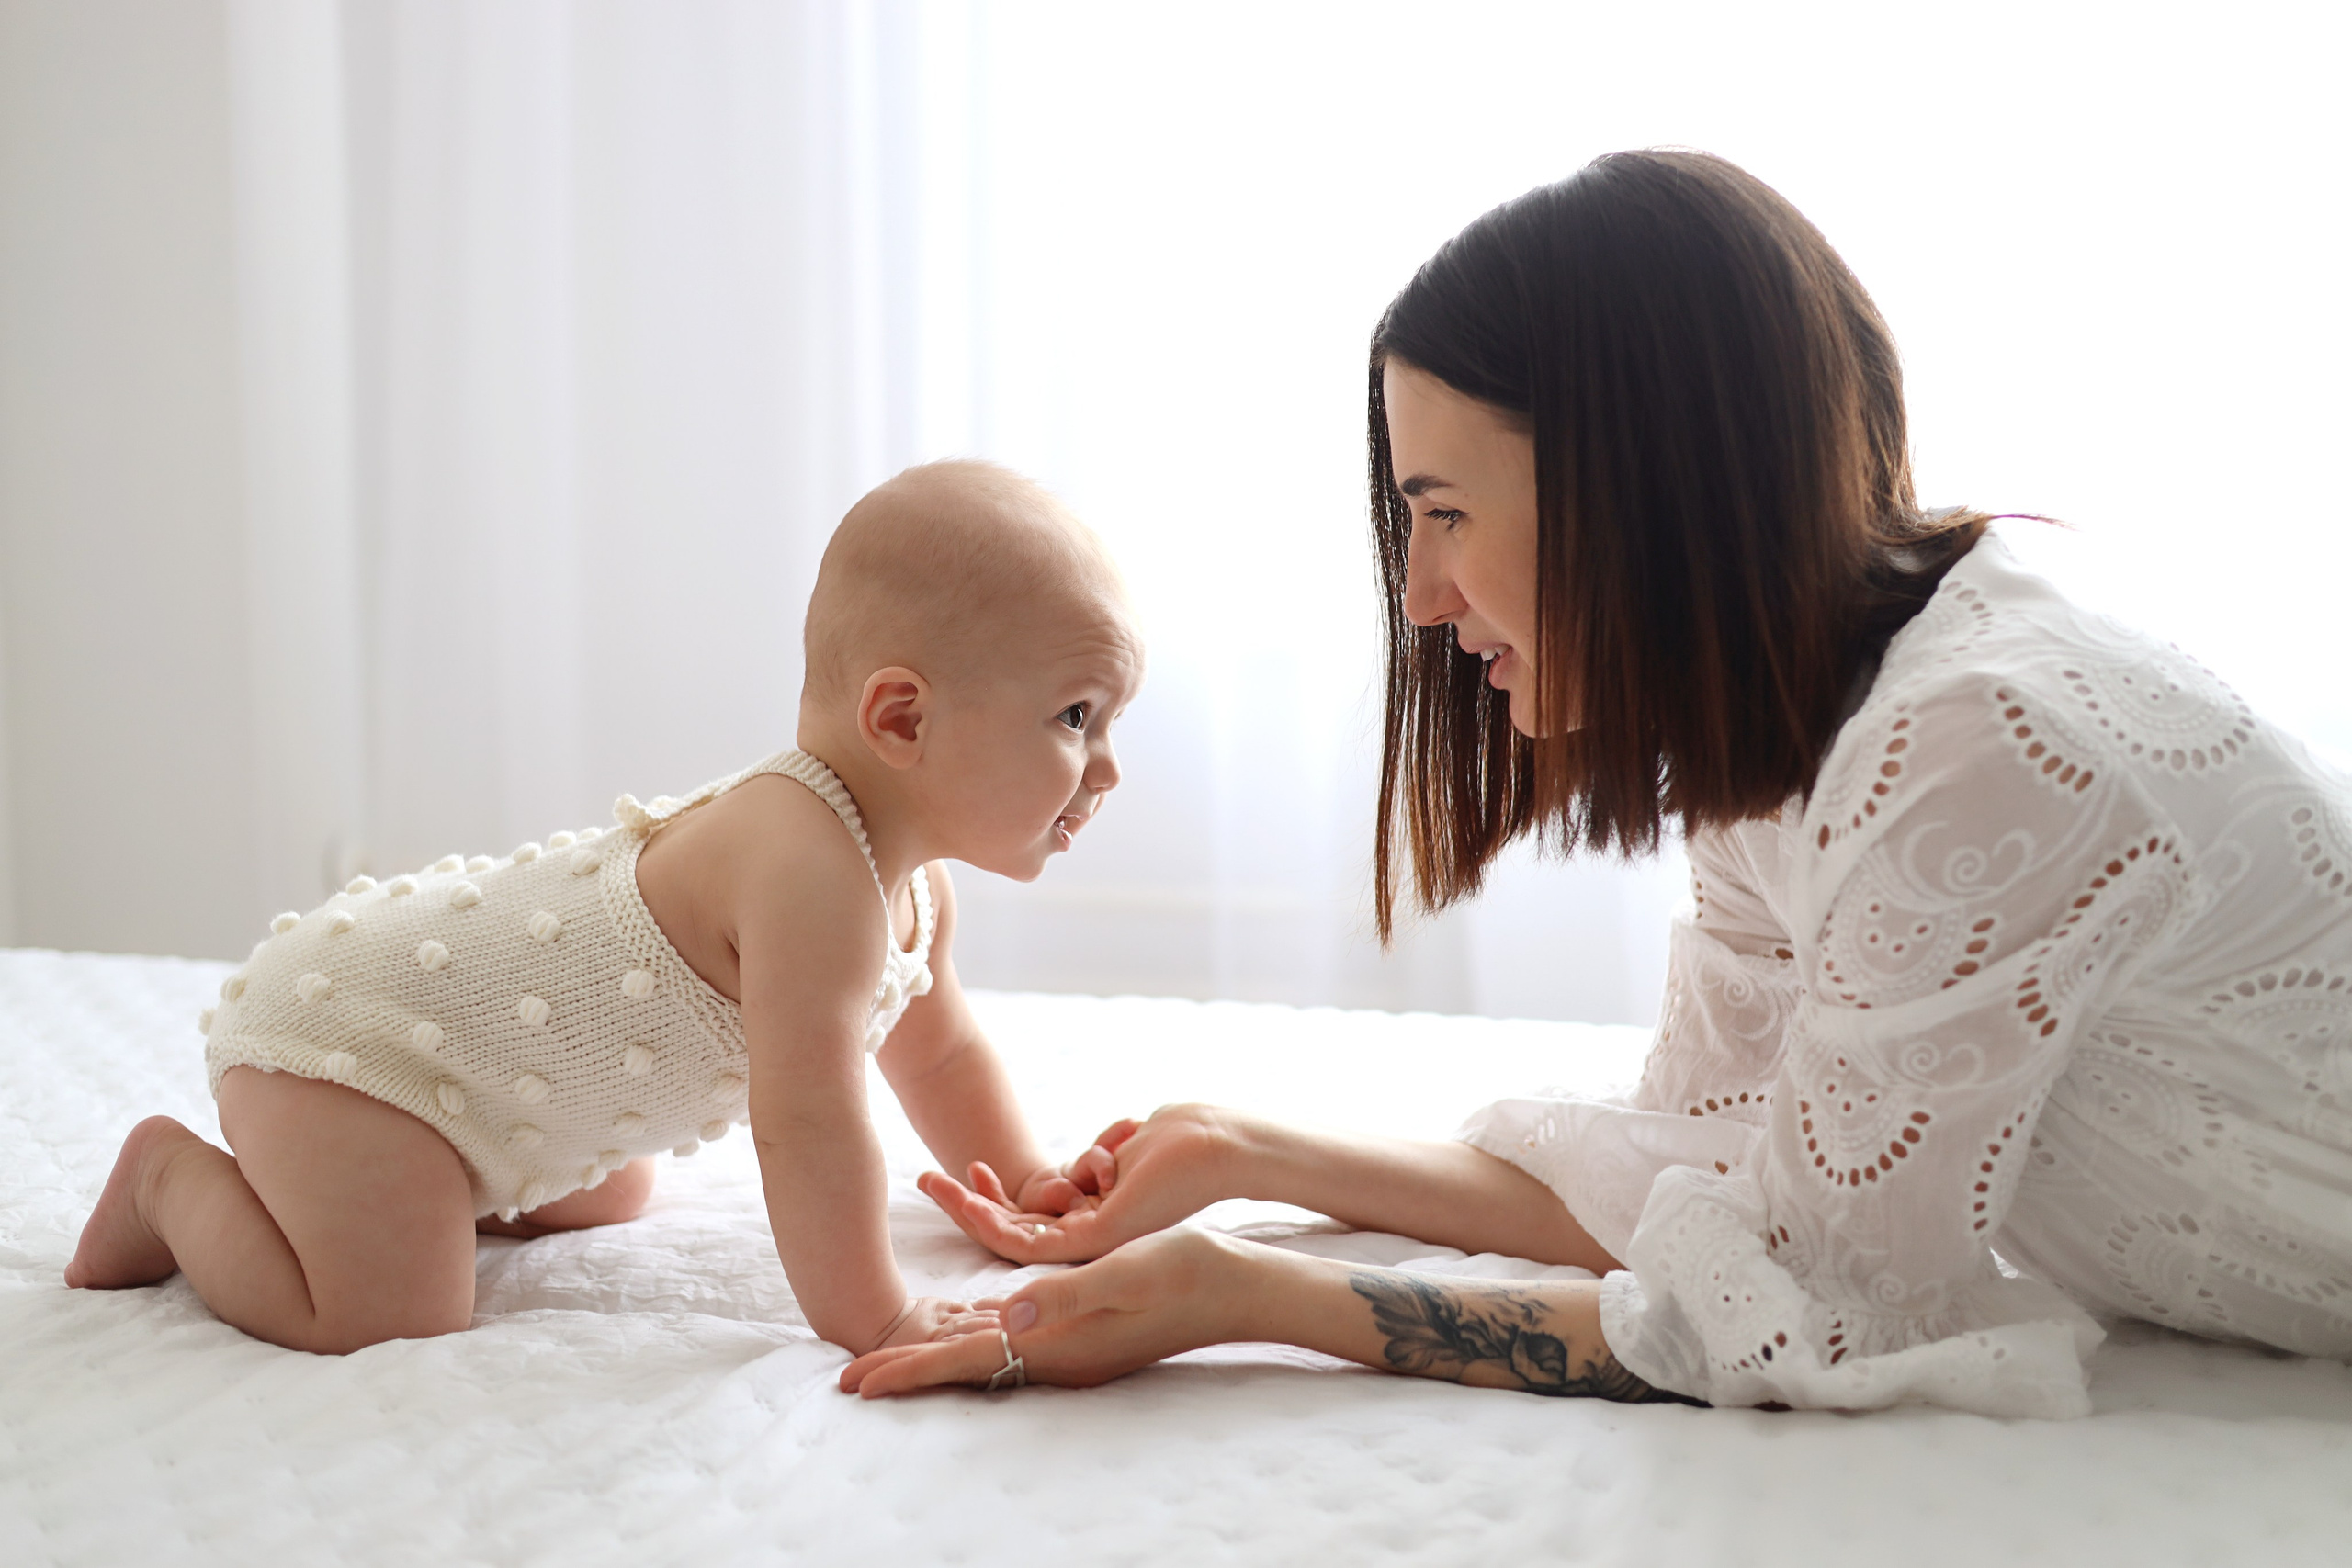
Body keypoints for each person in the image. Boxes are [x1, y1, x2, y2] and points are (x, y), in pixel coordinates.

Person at [842, 151, 2352, 1418]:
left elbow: (1814, 1317)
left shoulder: (1983, 749)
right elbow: (1722, 1177)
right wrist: (1249, 1151)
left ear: (1638, 480)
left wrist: (1249, 1295)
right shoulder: (1795, 736)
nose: (1423, 595)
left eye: (1443, 512)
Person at [65, 460, 1140, 1358]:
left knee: (613, 1192)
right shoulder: (806, 869)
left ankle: (451, 1181)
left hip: (473, 1079)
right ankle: (169, 1180)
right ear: (901, 716)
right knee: (388, 1317)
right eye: (1076, 716)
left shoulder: (909, 887)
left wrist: (1025, 1184)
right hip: (349, 1055)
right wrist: (882, 1316)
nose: (1107, 771)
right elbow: (808, 1126)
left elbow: (938, 1055)